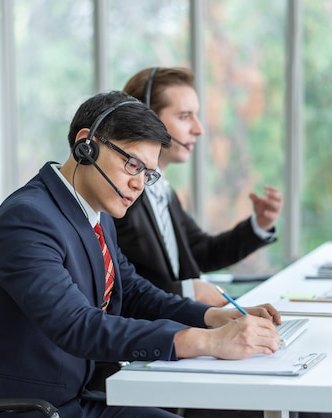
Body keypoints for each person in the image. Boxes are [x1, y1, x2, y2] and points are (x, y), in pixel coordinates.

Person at [0, 91, 282, 418]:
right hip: (21, 410)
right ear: (87, 145)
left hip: (76, 399)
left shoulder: (97, 215)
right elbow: (75, 324)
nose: (139, 184)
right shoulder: (27, 220)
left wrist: (213, 317)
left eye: (148, 174)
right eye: (133, 164)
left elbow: (136, 292)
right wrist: (207, 342)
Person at [118, 66, 283, 307]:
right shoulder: (121, 194)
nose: (199, 129)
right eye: (185, 116)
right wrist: (186, 291)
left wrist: (260, 226)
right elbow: (117, 288)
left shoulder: (162, 190)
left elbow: (200, 252)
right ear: (147, 118)